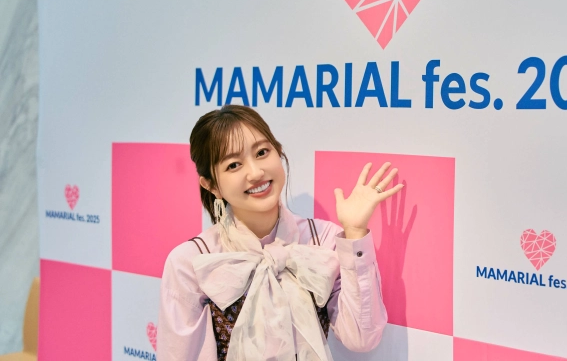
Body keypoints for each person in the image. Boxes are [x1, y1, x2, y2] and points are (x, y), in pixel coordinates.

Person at [157, 105, 403, 360]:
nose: (255, 172)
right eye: (234, 165)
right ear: (211, 185)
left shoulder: (323, 240)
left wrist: (355, 232)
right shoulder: (193, 262)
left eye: (262, 152)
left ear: (279, 152)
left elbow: (361, 338)